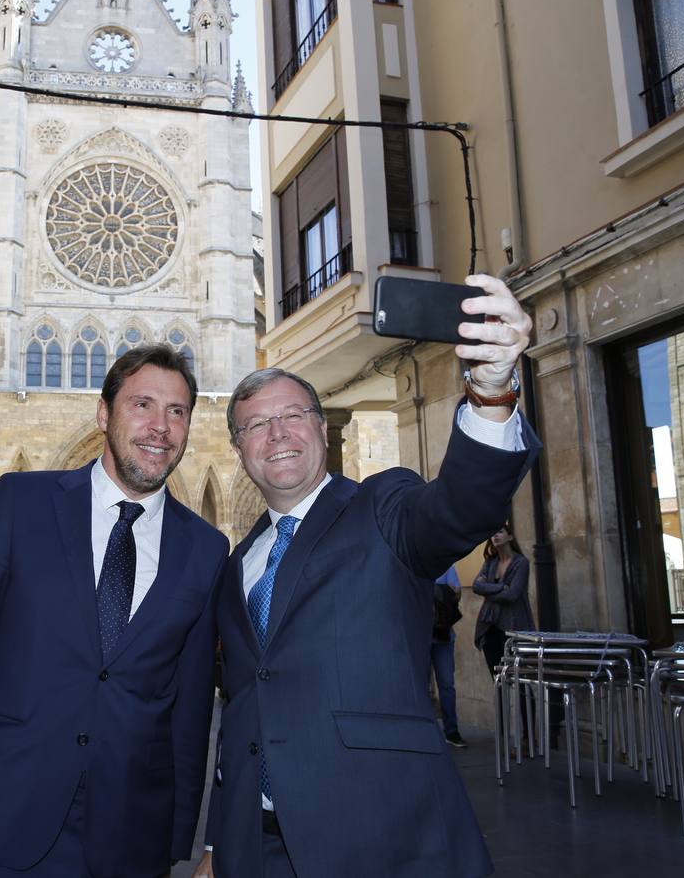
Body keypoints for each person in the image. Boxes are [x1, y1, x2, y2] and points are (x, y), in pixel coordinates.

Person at [196, 274, 540, 878]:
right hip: (259, 845)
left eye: (293, 415)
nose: (276, 434)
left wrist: (490, 392)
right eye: (255, 425)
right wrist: (222, 843)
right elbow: (247, 703)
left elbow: (460, 507)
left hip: (383, 833)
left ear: (322, 428)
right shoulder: (237, 564)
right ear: (238, 450)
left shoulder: (383, 507)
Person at [0, 345, 229, 878]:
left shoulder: (205, 548)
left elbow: (191, 711)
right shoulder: (22, 503)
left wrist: (175, 842)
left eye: (177, 412)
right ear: (104, 413)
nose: (161, 427)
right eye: (142, 405)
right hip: (3, 821)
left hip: (132, 840)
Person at [473, 524, 535, 674]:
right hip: (489, 625)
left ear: (510, 537)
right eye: (492, 533)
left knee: (518, 677)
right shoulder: (490, 563)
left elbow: (512, 594)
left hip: (512, 626)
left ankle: (527, 699)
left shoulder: (521, 563)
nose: (495, 535)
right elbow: (476, 586)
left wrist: (487, 588)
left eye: (500, 532)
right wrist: (501, 587)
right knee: (498, 678)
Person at [432, 565, 466, 748]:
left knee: (446, 684)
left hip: (443, 633)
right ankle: (428, 732)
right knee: (421, 685)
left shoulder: (446, 566)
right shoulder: (412, 562)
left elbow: (457, 593)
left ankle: (451, 731)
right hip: (420, 634)